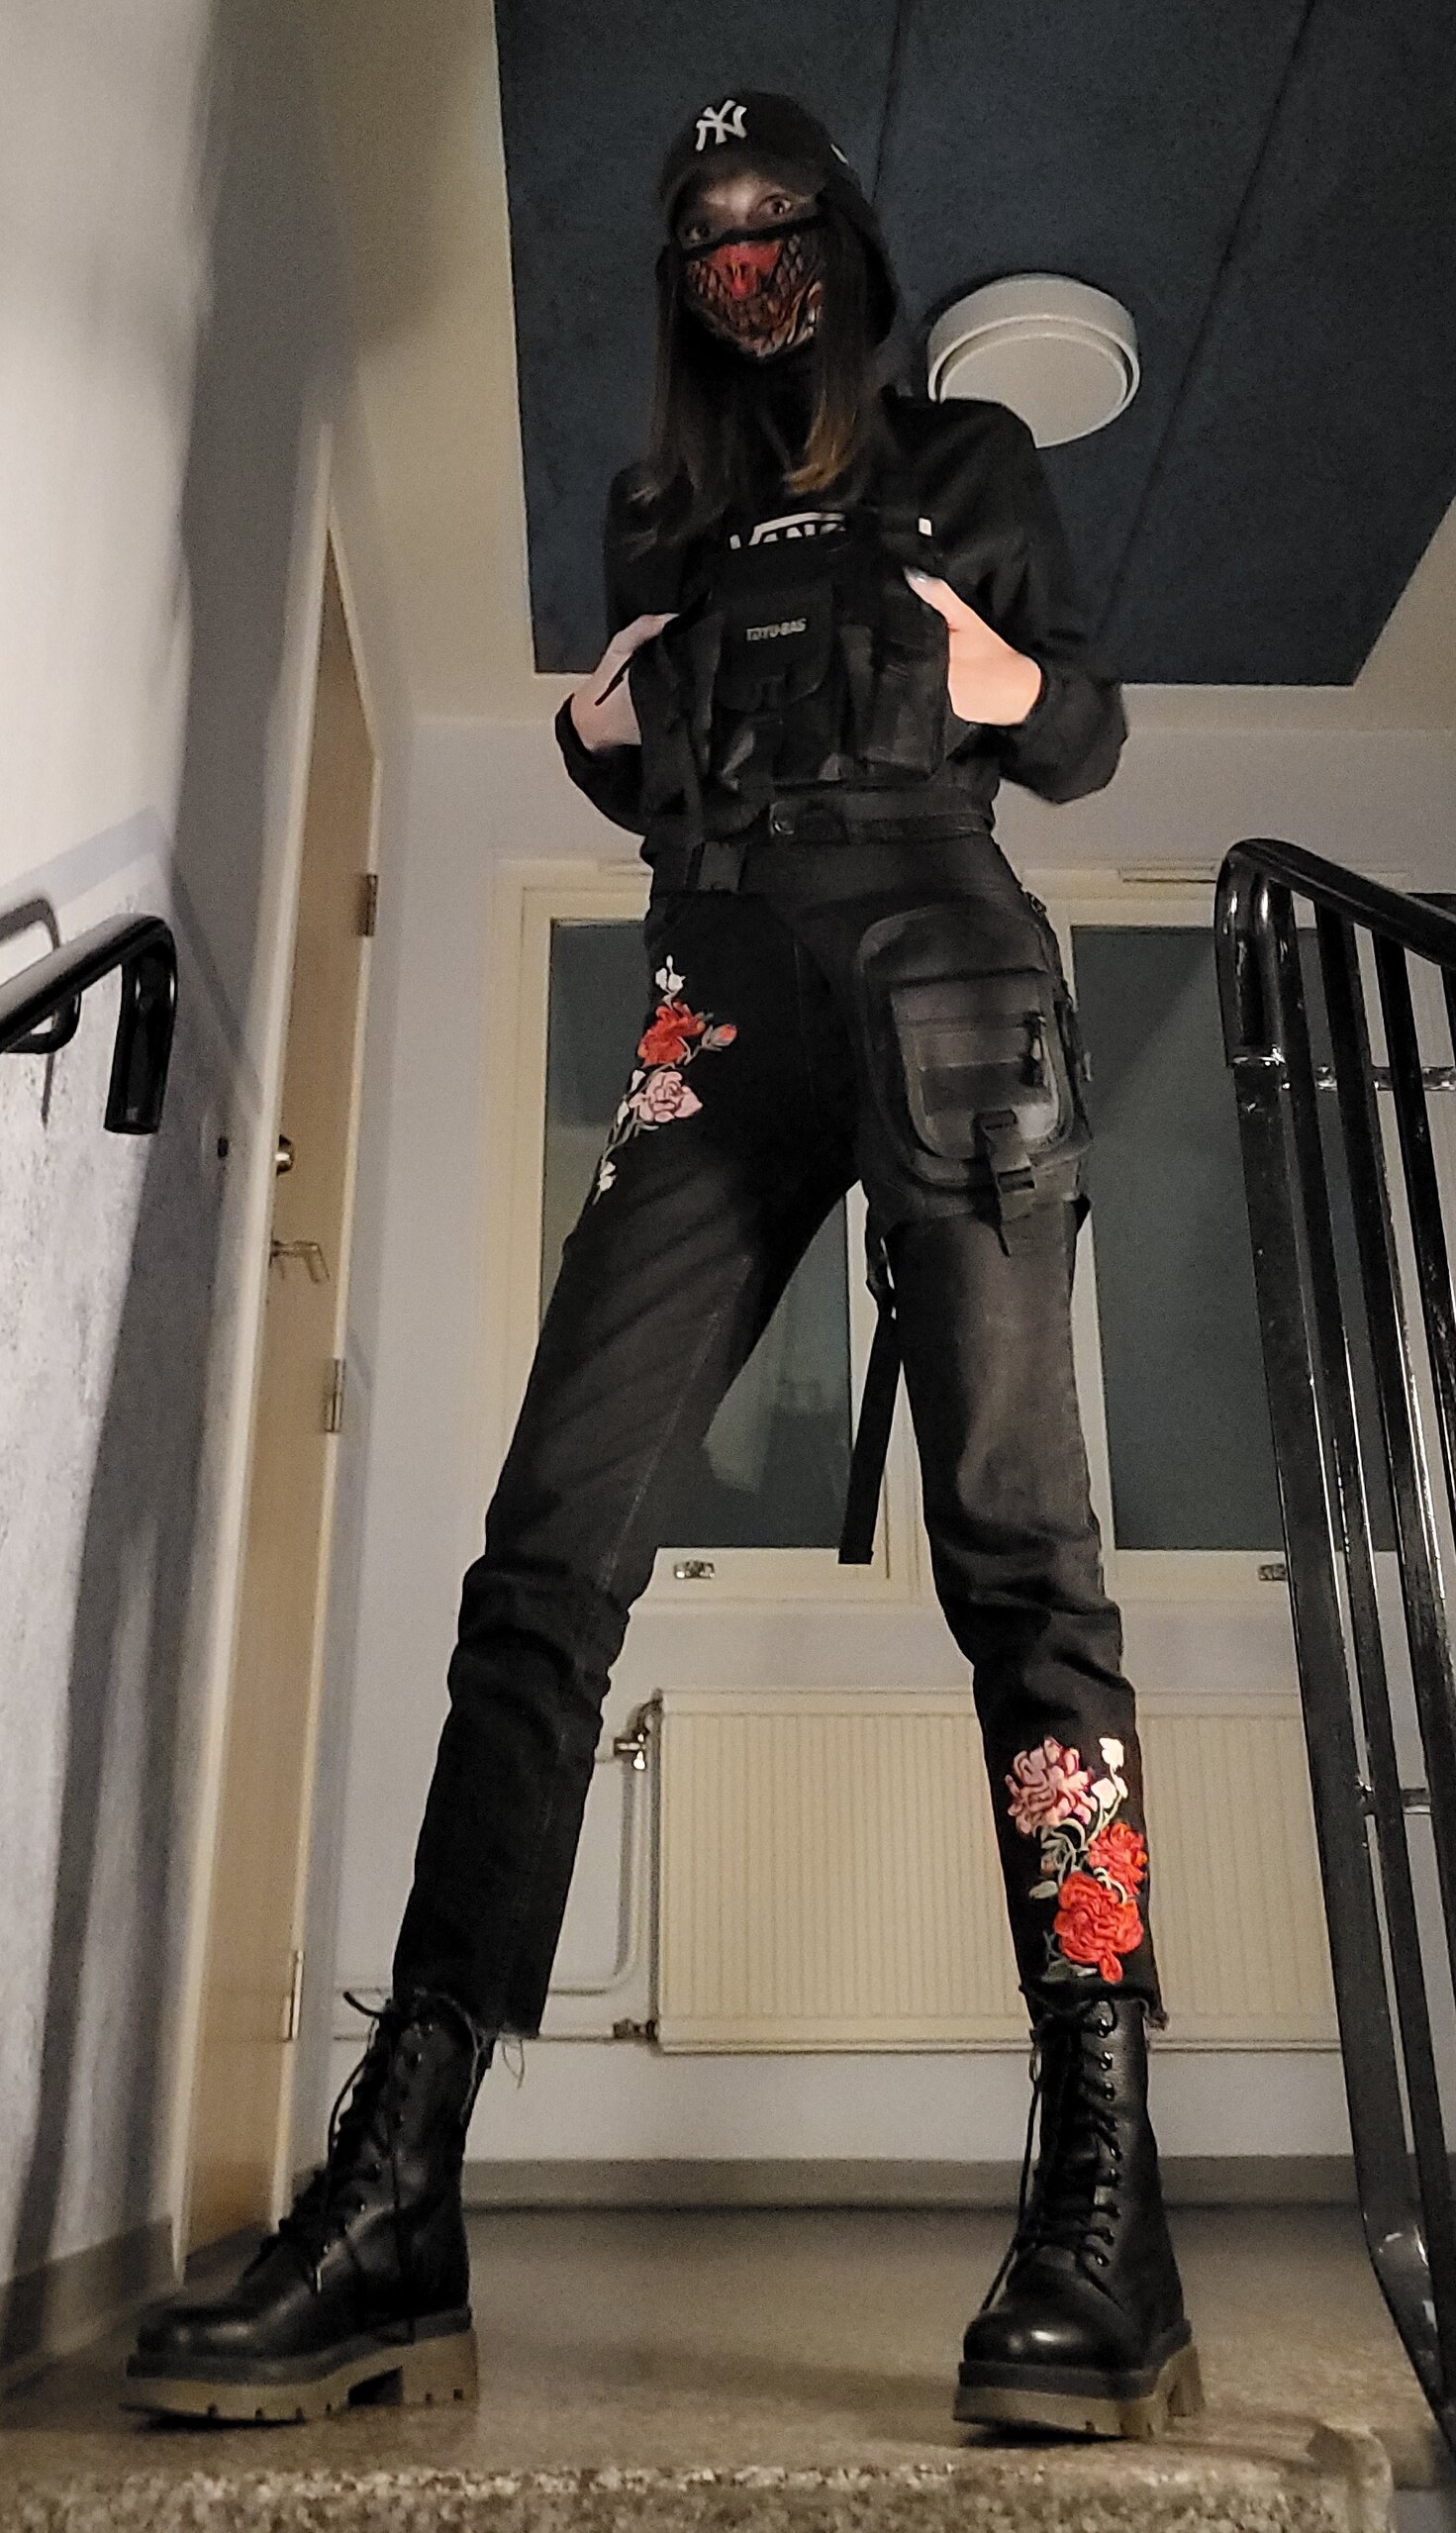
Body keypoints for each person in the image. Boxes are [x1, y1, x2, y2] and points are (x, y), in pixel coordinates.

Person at [128, 90, 1200, 2442]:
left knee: (1023, 1568)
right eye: (705, 226)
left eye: (775, 214)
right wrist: (581, 730)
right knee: (543, 1558)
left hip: (943, 972)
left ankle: (1106, 2190)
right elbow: (650, 776)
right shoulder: (654, 513)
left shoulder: (972, 457)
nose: (743, 251)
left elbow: (1088, 729)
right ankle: (399, 2187)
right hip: (715, 1014)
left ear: (844, 239)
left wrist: (1012, 692)